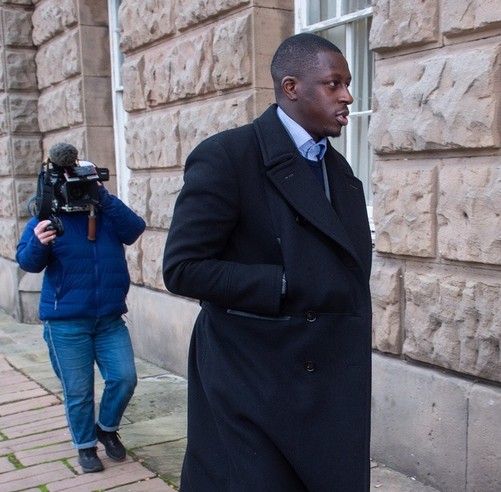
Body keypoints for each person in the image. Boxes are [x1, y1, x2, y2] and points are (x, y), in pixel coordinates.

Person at [162, 33, 373, 491]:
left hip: (324, 383)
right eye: (334, 84)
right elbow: (182, 267)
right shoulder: (228, 156)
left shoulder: (340, 173)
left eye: (348, 84)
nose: (348, 96)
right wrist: (283, 284)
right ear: (292, 87)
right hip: (251, 377)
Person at [16, 177, 146, 473]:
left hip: (110, 318)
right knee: (79, 390)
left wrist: (103, 196)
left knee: (124, 378)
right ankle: (85, 446)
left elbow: (135, 229)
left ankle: (106, 428)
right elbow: (28, 262)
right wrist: (38, 242)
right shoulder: (48, 215)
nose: (79, 191)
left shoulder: (105, 212)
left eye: (85, 185)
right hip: (66, 322)